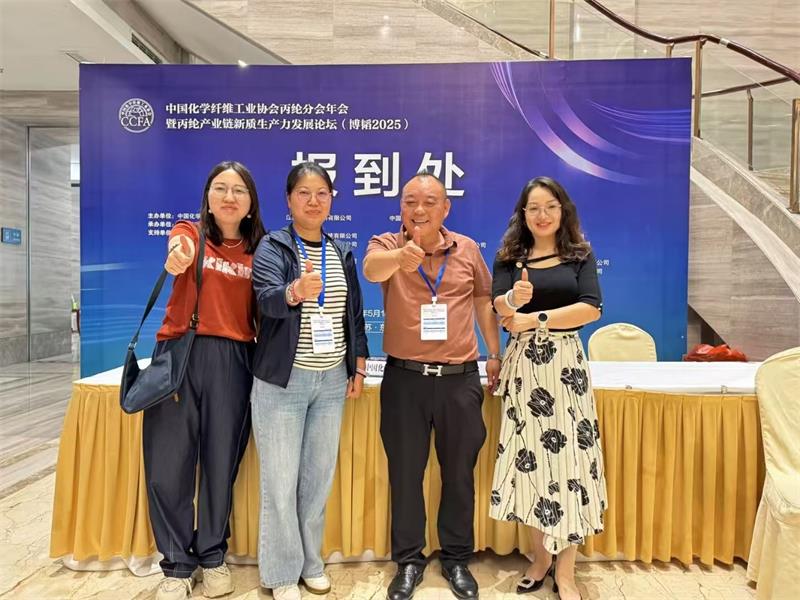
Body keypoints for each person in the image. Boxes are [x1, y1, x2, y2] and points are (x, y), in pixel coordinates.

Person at [363, 172, 501, 600]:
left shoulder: (467, 249)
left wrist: (494, 352)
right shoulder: (386, 243)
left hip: (459, 381)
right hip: (405, 380)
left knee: (458, 475)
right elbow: (371, 269)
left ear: (446, 208)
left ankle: (457, 558)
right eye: (409, 202)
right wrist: (400, 257)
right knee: (406, 475)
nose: (418, 210)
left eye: (428, 202)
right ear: (400, 208)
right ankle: (408, 560)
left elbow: (482, 300)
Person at [143, 160, 266, 600]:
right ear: (208, 198)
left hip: (235, 359)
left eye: (239, 190)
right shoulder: (190, 233)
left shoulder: (261, 250)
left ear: (251, 203)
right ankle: (177, 565)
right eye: (220, 188)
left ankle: (212, 555)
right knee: (168, 464)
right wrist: (177, 255)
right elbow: (178, 247)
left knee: (220, 463)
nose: (229, 197)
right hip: (180, 354)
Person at [249, 162, 369, 600]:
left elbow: (353, 315)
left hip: (331, 381)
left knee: (317, 480)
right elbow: (265, 300)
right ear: (289, 200)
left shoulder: (341, 251)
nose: (314, 201)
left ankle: (311, 563)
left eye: (322, 193)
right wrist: (294, 292)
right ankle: (282, 573)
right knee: (280, 483)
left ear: (331, 200)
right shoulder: (273, 246)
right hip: (283, 382)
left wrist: (357, 366)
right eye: (304, 193)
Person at [488, 176, 607, 600]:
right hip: (525, 370)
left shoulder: (580, 254)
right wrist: (513, 301)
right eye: (534, 208)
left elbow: (591, 308)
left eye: (550, 207)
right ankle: (540, 560)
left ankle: (567, 572)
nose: (542, 215)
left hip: (566, 367)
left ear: (563, 211)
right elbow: (498, 308)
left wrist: (536, 319)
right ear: (523, 214)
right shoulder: (509, 256)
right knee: (531, 464)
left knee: (570, 465)